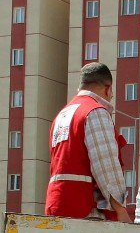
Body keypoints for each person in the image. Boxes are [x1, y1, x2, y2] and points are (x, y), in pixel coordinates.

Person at [45, 62, 132, 223]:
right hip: (85, 209)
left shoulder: (63, 115)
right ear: (108, 89)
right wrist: (120, 209)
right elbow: (106, 164)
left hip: (57, 205)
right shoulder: (95, 111)